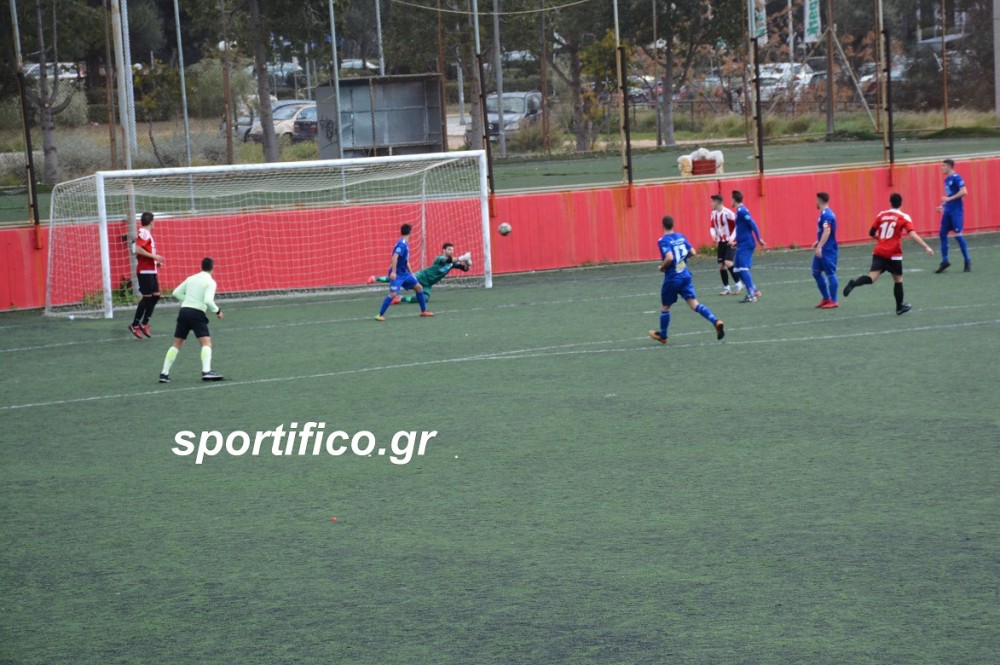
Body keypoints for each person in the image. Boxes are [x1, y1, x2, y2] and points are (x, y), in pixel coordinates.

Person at [842, 193, 934, 315]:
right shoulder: (904, 217)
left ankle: (854, 283)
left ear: (890, 202)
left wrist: (881, 239)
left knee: (871, 278)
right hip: (893, 254)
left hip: (879, 251)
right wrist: (926, 247)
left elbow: (871, 232)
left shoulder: (881, 214)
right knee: (898, 279)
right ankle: (899, 307)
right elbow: (912, 234)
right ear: (901, 203)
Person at [648, 215, 725, 345]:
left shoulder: (663, 240)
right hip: (685, 275)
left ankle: (663, 336)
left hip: (673, 278)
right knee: (694, 304)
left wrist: (662, 267)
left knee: (666, 307)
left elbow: (669, 257)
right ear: (673, 225)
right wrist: (682, 259)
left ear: (662, 226)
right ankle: (715, 321)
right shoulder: (681, 236)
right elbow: (693, 252)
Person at [159, 257, 224, 383]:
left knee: (176, 344)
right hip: (197, 314)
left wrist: (188, 300)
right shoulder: (210, 282)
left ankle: (164, 374)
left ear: (201, 266)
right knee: (206, 343)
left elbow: (176, 293)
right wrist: (218, 311)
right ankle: (206, 371)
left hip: (184, 312)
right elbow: (208, 300)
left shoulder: (191, 278)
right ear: (213, 268)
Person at [367, 243, 471, 304]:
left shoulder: (453, 263)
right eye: (449, 249)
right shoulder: (440, 258)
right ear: (444, 250)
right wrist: (462, 258)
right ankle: (376, 279)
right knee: (400, 278)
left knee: (425, 299)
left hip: (428, 284)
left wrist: (467, 263)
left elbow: (465, 269)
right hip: (422, 276)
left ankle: (401, 298)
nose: (451, 251)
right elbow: (447, 261)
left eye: (452, 250)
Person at [376, 224, 433, 320]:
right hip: (398, 274)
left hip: (404, 273)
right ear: (410, 232)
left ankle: (424, 311)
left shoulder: (404, 243)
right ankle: (380, 315)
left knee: (418, 287)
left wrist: (411, 274)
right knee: (393, 294)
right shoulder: (402, 244)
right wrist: (393, 272)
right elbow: (394, 257)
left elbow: (406, 261)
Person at [129, 212, 165, 339]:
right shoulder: (144, 232)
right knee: (147, 298)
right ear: (151, 222)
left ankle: (144, 324)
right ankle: (134, 325)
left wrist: (155, 262)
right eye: (154, 221)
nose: (154, 224)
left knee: (156, 296)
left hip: (150, 270)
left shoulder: (146, 234)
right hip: (145, 271)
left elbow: (140, 252)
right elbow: (138, 249)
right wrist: (155, 257)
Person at [935, 158, 971, 273]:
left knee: (958, 235)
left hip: (956, 211)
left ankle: (967, 260)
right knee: (942, 234)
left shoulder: (957, 178)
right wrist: (943, 205)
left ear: (950, 166)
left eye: (943, 166)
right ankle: (945, 261)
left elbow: (964, 192)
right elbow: (949, 195)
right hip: (948, 211)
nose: (942, 168)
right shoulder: (947, 180)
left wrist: (949, 199)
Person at [731, 191, 766, 303]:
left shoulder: (742, 211)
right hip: (741, 244)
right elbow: (743, 228)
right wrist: (737, 242)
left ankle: (752, 295)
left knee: (743, 268)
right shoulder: (739, 211)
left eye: (731, 199)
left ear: (734, 199)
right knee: (736, 269)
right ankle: (754, 290)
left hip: (746, 244)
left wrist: (759, 238)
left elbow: (752, 223)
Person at [709, 194, 742, 296]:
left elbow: (738, 226)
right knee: (721, 266)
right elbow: (712, 227)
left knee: (728, 262)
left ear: (717, 202)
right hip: (721, 242)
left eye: (712, 202)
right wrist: (713, 235)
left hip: (730, 241)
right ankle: (726, 288)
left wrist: (733, 238)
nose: (711, 204)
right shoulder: (713, 213)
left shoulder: (728, 213)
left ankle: (739, 284)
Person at [812, 192, 839, 309]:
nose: (815, 202)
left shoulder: (827, 215)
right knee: (815, 272)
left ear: (819, 200)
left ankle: (834, 300)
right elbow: (825, 231)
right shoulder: (824, 214)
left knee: (830, 273)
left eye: (816, 200)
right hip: (823, 247)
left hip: (827, 250)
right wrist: (818, 241)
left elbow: (827, 231)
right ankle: (826, 298)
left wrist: (819, 247)